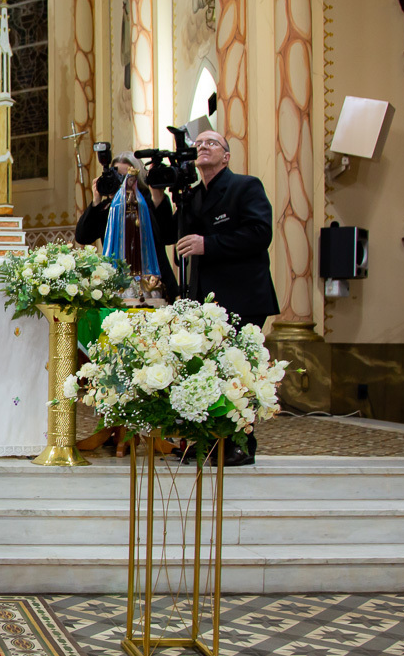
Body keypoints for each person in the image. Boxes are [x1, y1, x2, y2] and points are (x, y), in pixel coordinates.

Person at [173, 129, 280, 466]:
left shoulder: (245, 187)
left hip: (242, 295)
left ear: (226, 156)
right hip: (206, 300)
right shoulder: (192, 196)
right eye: (198, 144)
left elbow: (260, 232)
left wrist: (210, 245)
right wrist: (161, 196)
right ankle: (208, 440)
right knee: (206, 372)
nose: (203, 147)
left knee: (236, 372)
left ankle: (241, 444)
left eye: (212, 143)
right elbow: (169, 234)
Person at [74, 152, 178, 302]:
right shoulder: (109, 208)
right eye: (118, 176)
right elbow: (82, 236)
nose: (122, 182)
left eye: (127, 176)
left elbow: (167, 236)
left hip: (153, 285)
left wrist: (156, 200)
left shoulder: (150, 200)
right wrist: (96, 202)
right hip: (118, 286)